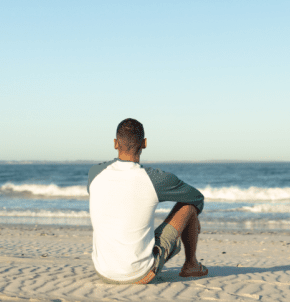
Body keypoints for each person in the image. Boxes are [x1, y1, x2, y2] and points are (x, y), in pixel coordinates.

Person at [87, 118, 208, 284]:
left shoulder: (95, 173)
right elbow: (196, 197)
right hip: (140, 274)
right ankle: (191, 265)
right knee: (189, 207)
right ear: (144, 143)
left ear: (116, 143)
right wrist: (194, 218)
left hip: (103, 271)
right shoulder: (155, 179)